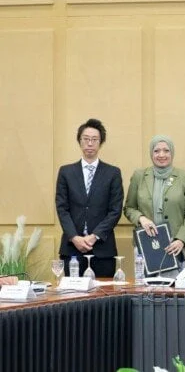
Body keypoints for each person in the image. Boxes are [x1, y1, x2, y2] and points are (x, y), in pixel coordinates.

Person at [55, 118, 123, 277]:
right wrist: (74, 237)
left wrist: (94, 236)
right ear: (79, 141)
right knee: (72, 292)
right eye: (86, 139)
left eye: (94, 139)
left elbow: (115, 210)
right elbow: (62, 208)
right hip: (72, 249)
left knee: (104, 292)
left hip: (102, 250)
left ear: (101, 143)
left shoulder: (113, 173)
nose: (90, 144)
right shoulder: (66, 172)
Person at [123, 135, 185, 277]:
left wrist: (181, 239)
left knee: (173, 290)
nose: (161, 155)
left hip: (173, 246)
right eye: (156, 151)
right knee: (144, 290)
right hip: (145, 246)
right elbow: (129, 208)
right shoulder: (139, 176)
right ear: (151, 153)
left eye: (166, 150)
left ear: (172, 152)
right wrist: (141, 218)